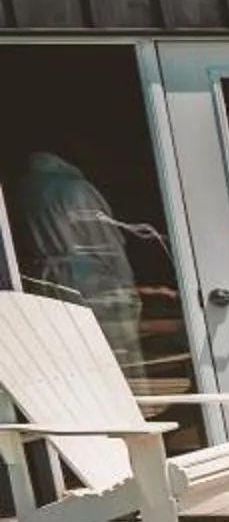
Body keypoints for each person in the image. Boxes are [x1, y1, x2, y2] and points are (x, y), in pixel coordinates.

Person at [5, 148, 147, 369]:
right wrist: (127, 287)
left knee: (64, 356)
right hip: (89, 283)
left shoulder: (20, 190)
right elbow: (105, 241)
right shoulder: (76, 189)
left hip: (42, 281)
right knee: (107, 354)